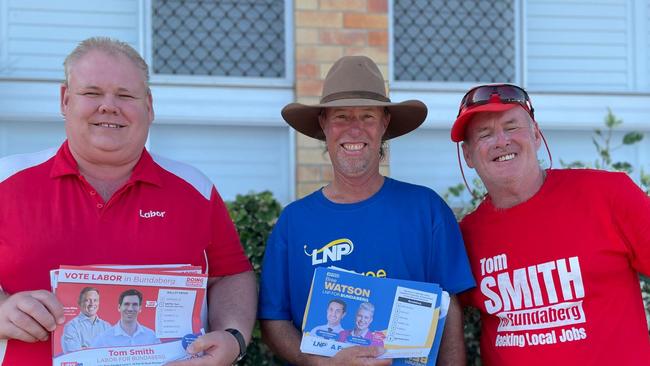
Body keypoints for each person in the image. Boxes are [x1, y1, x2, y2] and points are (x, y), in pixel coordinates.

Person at [0, 37, 255, 366]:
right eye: (92, 93)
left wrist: (233, 337)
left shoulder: (195, 190)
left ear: (149, 105)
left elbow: (231, 274)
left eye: (125, 95)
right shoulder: (6, 181)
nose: (109, 106)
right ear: (65, 100)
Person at [258, 55, 475, 366]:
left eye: (368, 117)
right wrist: (324, 364)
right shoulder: (293, 222)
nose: (355, 129)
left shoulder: (427, 210)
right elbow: (273, 321)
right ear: (324, 124)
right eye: (342, 116)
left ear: (385, 123)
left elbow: (449, 310)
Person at [451, 83, 650, 366]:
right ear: (468, 155)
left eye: (512, 126)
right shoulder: (465, 237)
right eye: (484, 134)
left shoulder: (609, 195)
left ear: (535, 134)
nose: (501, 140)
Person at [91, 289, 158, 347]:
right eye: (126, 304)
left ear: (140, 308)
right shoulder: (103, 339)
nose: (130, 309)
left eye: (134, 304)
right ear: (119, 307)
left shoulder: (151, 336)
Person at [61, 287, 110, 352]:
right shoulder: (71, 326)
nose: (92, 304)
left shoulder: (107, 326)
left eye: (95, 300)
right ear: (79, 302)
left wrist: (85, 349)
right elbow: (72, 355)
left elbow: (111, 352)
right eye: (87, 300)